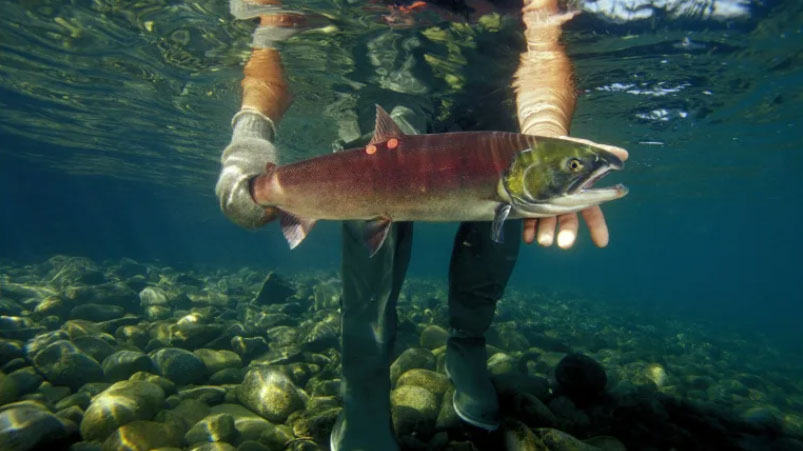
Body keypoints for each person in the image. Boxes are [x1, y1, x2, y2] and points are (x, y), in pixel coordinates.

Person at [215, 0, 626, 449]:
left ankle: (467, 348)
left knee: (514, 201)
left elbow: (544, 48)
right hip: (392, 86)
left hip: (497, 100)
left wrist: (544, 133)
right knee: (381, 171)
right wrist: (249, 138)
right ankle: (363, 393)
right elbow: (266, 36)